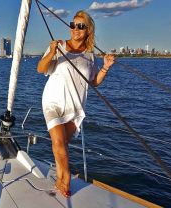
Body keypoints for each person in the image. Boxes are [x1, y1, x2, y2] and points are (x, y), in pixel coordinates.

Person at [37, 10, 115, 197]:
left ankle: (59, 179)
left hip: (75, 106)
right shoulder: (59, 45)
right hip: (53, 101)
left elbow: (93, 82)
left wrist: (105, 67)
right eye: (73, 25)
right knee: (57, 140)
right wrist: (51, 53)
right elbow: (41, 69)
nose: (75, 29)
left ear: (88, 30)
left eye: (81, 26)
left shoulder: (89, 55)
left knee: (62, 143)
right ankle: (66, 179)